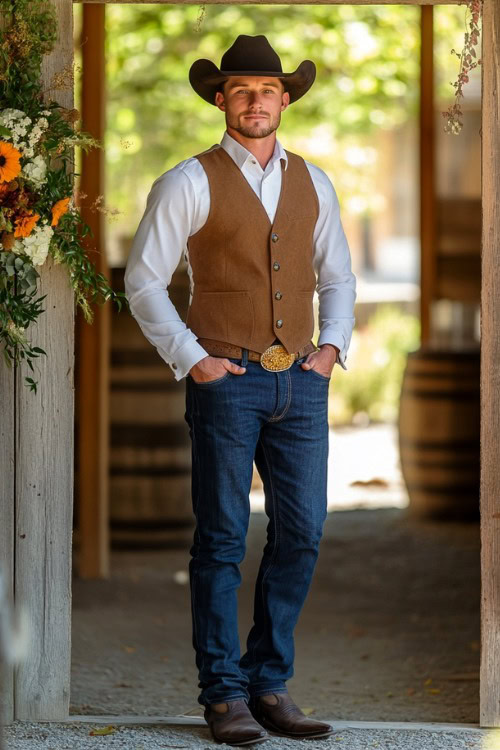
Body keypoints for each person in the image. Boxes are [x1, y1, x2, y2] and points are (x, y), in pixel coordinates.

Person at [125, 34, 356, 747]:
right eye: (242, 90)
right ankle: (223, 694)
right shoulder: (186, 182)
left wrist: (332, 348)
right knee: (222, 540)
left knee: (303, 536)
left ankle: (269, 683)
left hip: (301, 386)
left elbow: (338, 277)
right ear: (221, 99)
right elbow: (143, 282)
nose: (256, 101)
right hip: (225, 380)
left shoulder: (314, 182)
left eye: (268, 90)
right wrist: (194, 360)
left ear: (285, 99)